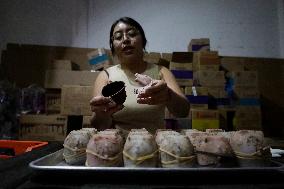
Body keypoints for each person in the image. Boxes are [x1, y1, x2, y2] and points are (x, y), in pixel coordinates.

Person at [90, 17, 190, 134]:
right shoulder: (105, 76)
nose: (126, 39)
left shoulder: (161, 71)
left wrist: (168, 95)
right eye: (118, 37)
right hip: (119, 146)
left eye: (132, 34)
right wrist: (102, 114)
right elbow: (99, 126)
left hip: (154, 146)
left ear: (143, 41)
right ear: (113, 47)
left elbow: (183, 111)